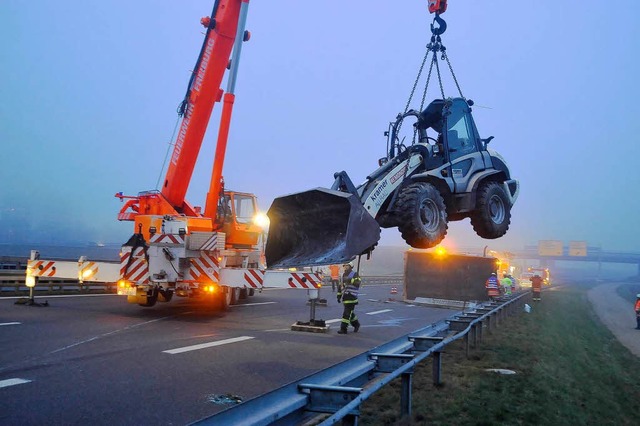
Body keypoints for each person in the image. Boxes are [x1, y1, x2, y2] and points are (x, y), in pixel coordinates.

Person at [336, 261, 361, 334]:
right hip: (345, 297)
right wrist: (339, 295)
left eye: (347, 265)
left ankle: (343, 329)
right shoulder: (342, 275)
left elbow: (357, 283)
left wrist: (351, 280)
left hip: (352, 297)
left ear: (351, 266)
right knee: (350, 313)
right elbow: (340, 286)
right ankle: (356, 324)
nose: (346, 267)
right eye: (345, 265)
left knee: (346, 314)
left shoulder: (355, 274)